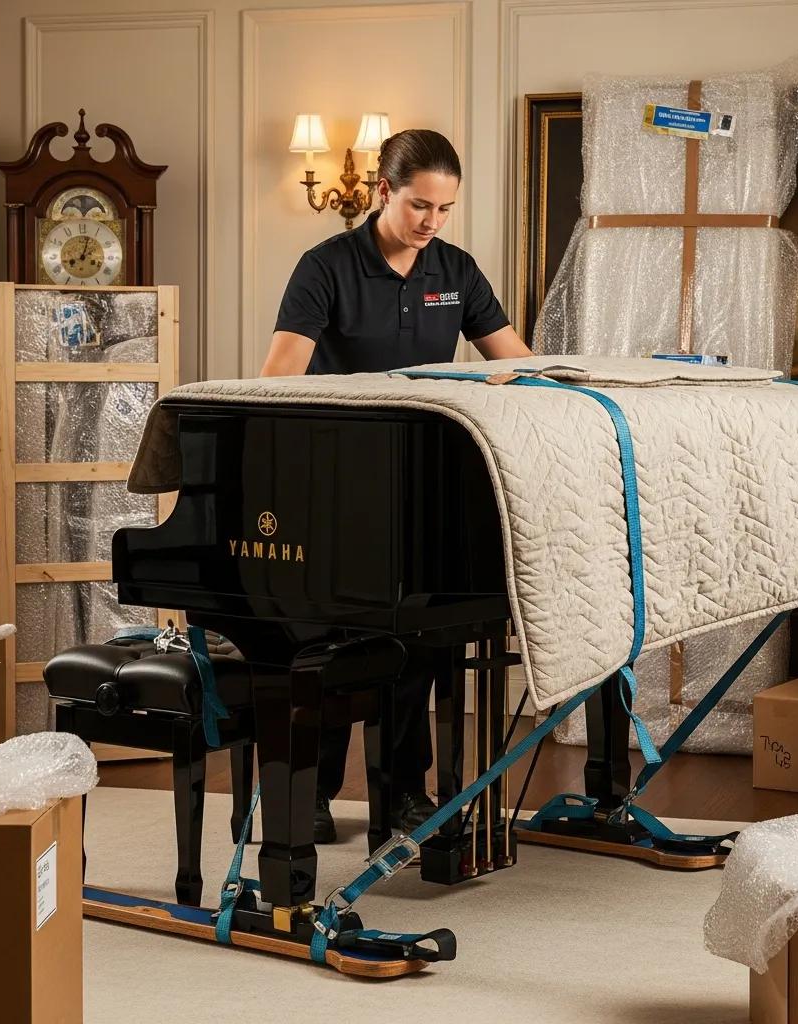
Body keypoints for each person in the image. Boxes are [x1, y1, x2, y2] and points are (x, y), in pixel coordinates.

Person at [261, 128, 531, 842]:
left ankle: (403, 797)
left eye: (445, 209)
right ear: (383, 191)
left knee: (419, 646)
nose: (431, 223)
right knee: (327, 645)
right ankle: (312, 795)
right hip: (333, 486)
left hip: (422, 487)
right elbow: (279, 379)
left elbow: (521, 364)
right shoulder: (326, 266)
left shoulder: (457, 270)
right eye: (419, 206)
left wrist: (518, 385)